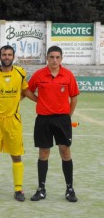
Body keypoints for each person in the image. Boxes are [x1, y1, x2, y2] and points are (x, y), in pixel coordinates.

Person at [0, 45, 37, 202]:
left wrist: (40, 100)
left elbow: (26, 91)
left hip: (13, 121)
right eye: (4, 54)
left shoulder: (20, 73)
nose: (7, 57)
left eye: (10, 54)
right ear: (0, 56)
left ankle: (18, 190)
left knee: (16, 156)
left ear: (13, 56)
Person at [28, 46, 80, 202]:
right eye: (51, 57)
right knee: (43, 153)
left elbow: (74, 97)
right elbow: (28, 90)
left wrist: (67, 116)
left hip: (62, 119)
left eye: (57, 57)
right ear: (47, 58)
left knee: (65, 152)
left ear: (61, 59)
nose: (54, 60)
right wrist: (39, 100)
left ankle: (70, 189)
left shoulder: (68, 75)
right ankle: (41, 189)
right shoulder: (39, 74)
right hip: (43, 119)